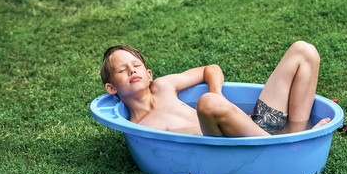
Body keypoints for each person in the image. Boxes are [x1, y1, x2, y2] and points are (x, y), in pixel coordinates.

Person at [100, 41, 331, 137]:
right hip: (227, 144)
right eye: (122, 70)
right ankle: (283, 148)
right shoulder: (136, 126)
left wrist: (217, 92)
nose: (132, 71)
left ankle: (295, 132)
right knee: (208, 103)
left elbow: (211, 68)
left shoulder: (163, 86)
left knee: (304, 51)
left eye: (136, 65)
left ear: (149, 74)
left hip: (255, 125)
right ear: (111, 88)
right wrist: (213, 100)